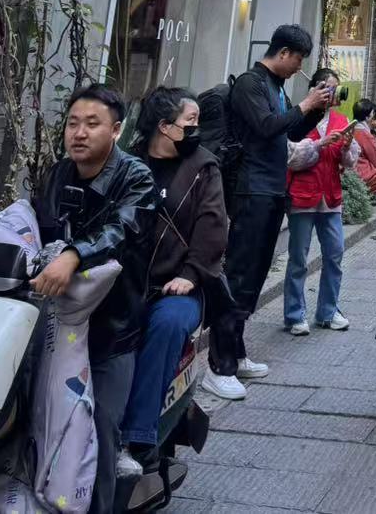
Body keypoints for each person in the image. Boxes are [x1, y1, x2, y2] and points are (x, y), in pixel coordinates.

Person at [32, 83, 156, 514]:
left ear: (116, 130)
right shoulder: (57, 173)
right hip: (54, 320)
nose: (79, 133)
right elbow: (33, 225)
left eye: (92, 124)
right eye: (72, 123)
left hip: (111, 328)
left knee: (98, 430)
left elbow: (122, 230)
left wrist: (74, 254)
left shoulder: (136, 176)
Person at [204, 23, 332, 399]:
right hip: (250, 189)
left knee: (256, 275)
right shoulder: (250, 83)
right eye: (298, 61)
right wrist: (304, 105)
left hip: (273, 189)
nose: (299, 69)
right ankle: (219, 365)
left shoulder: (275, 87)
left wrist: (313, 110)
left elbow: (288, 133)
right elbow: (263, 127)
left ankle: (237, 353)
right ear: (285, 53)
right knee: (240, 274)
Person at [118, 88, 227, 477]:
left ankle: (138, 437)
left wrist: (190, 274)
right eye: (190, 122)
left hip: (177, 287)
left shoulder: (203, 166)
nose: (196, 129)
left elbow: (213, 228)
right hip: (122, 283)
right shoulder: (125, 164)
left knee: (165, 324)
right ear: (164, 127)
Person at [283, 66, 357, 336]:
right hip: (303, 196)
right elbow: (292, 158)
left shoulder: (341, 119)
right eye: (327, 87)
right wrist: (320, 144)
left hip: (331, 198)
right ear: (314, 89)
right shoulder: (298, 118)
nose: (332, 93)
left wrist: (347, 147)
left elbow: (349, 163)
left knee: (335, 254)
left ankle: (327, 311)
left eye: (335, 88)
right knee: (299, 259)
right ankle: (294, 315)